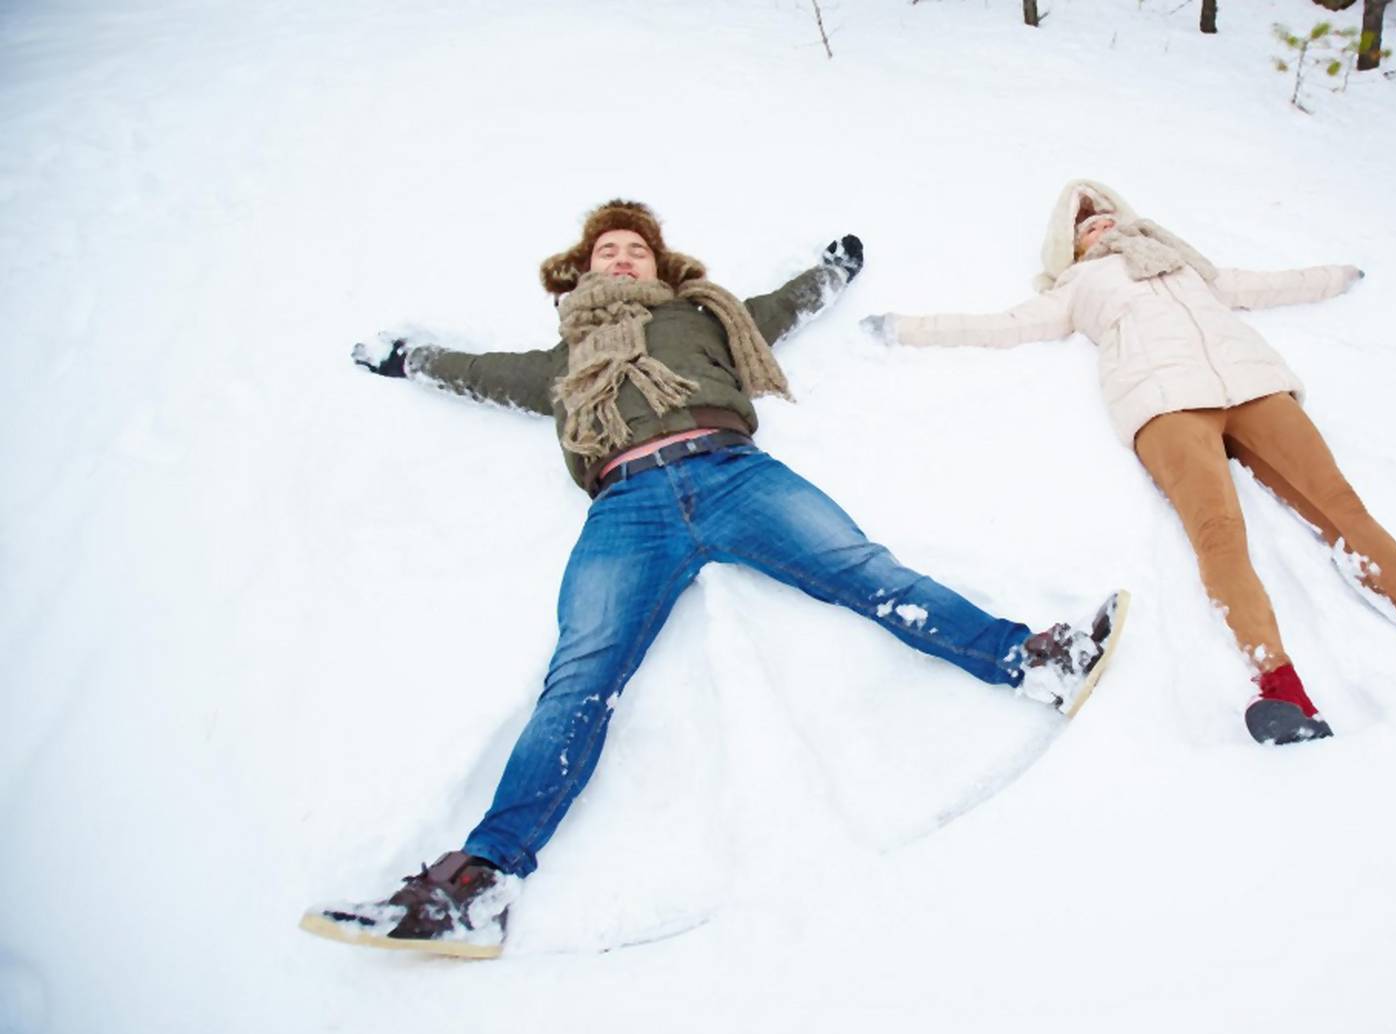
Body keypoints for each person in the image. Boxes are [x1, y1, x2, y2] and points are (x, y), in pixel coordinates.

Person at [300, 199, 1129, 959]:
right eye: (606, 253)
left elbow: (779, 308)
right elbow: (477, 371)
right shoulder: (560, 362)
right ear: (583, 273)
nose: (621, 260)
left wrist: (831, 271)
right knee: (581, 675)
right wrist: (412, 359)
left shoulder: (702, 317)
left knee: (865, 572)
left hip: (733, 472)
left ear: (660, 268)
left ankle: (1036, 662)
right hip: (627, 507)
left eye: (635, 251)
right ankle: (477, 887)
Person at [861, 180, 1396, 747]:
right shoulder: (1077, 288)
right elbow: (1001, 327)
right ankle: (1279, 684)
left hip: (1254, 389)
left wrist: (1337, 275)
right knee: (1218, 530)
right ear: (1072, 244)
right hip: (1164, 406)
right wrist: (907, 329)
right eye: (1087, 223)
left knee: (1344, 509)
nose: (1102, 224)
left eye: (1108, 212)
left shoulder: (1184, 265)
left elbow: (1264, 285)